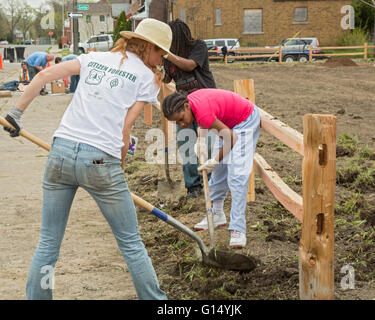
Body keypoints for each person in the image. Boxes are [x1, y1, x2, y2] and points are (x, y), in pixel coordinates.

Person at [2, 18, 171, 300]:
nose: (161, 59)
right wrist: (120, 166)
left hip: (60, 153)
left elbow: (43, 77)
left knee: (48, 244)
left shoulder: (94, 58)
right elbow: (125, 130)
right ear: (149, 47)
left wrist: (14, 115)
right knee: (131, 243)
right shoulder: (146, 78)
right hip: (100, 161)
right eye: (161, 53)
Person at [162, 89, 261, 248]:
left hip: (245, 120)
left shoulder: (201, 112)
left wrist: (214, 160)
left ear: (186, 106)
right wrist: (200, 141)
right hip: (228, 124)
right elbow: (205, 122)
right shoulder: (192, 106)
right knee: (219, 172)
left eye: (181, 119)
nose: (182, 124)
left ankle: (238, 228)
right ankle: (216, 214)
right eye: (177, 123)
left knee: (237, 175)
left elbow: (230, 138)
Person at [163, 19, 216, 199]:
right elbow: (167, 79)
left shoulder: (198, 47)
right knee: (186, 146)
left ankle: (210, 183)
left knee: (207, 146)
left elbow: (190, 65)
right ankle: (193, 187)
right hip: (183, 107)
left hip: (205, 104)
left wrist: (167, 54)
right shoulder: (168, 57)